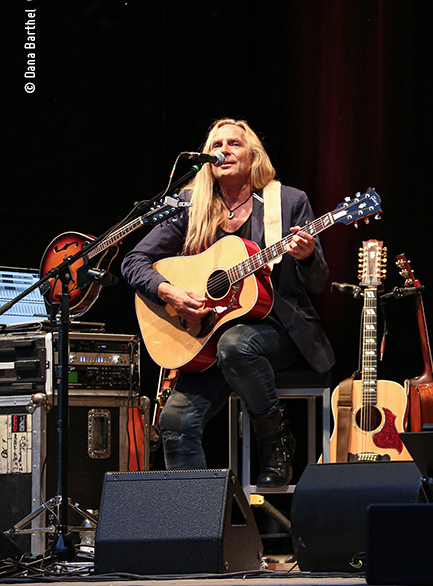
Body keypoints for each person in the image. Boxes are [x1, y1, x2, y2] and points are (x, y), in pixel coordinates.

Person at [122, 118, 334, 486]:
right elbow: (133, 261)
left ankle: (274, 441)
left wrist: (306, 255)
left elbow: (317, 283)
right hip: (206, 335)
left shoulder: (286, 202)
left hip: (277, 330)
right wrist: (168, 291)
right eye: (216, 144)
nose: (223, 150)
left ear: (253, 156)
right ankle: (197, 524)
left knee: (236, 345)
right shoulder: (190, 205)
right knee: (174, 423)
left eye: (233, 143)